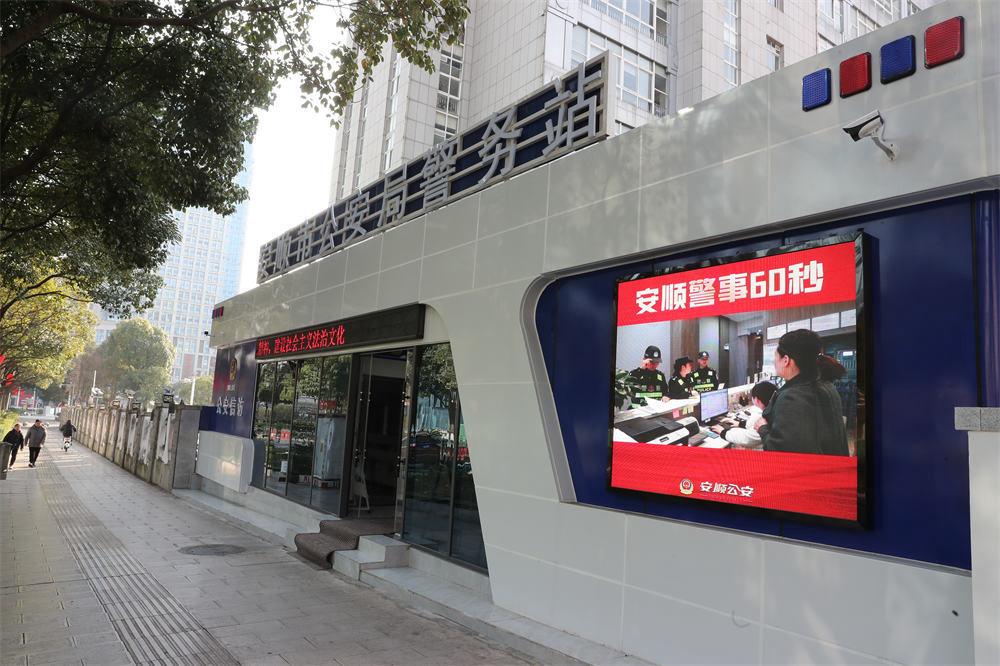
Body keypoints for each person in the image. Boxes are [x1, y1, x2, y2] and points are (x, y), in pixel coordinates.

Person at [756, 329, 850, 456]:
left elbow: (780, 450)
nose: (774, 362)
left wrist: (762, 428)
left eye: (775, 357)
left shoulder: (792, 397)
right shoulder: (826, 385)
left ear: (786, 360)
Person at [711, 381, 777, 449]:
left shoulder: (764, 417)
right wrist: (739, 424)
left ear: (756, 400)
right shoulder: (773, 411)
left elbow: (748, 439)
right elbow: (753, 425)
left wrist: (723, 432)